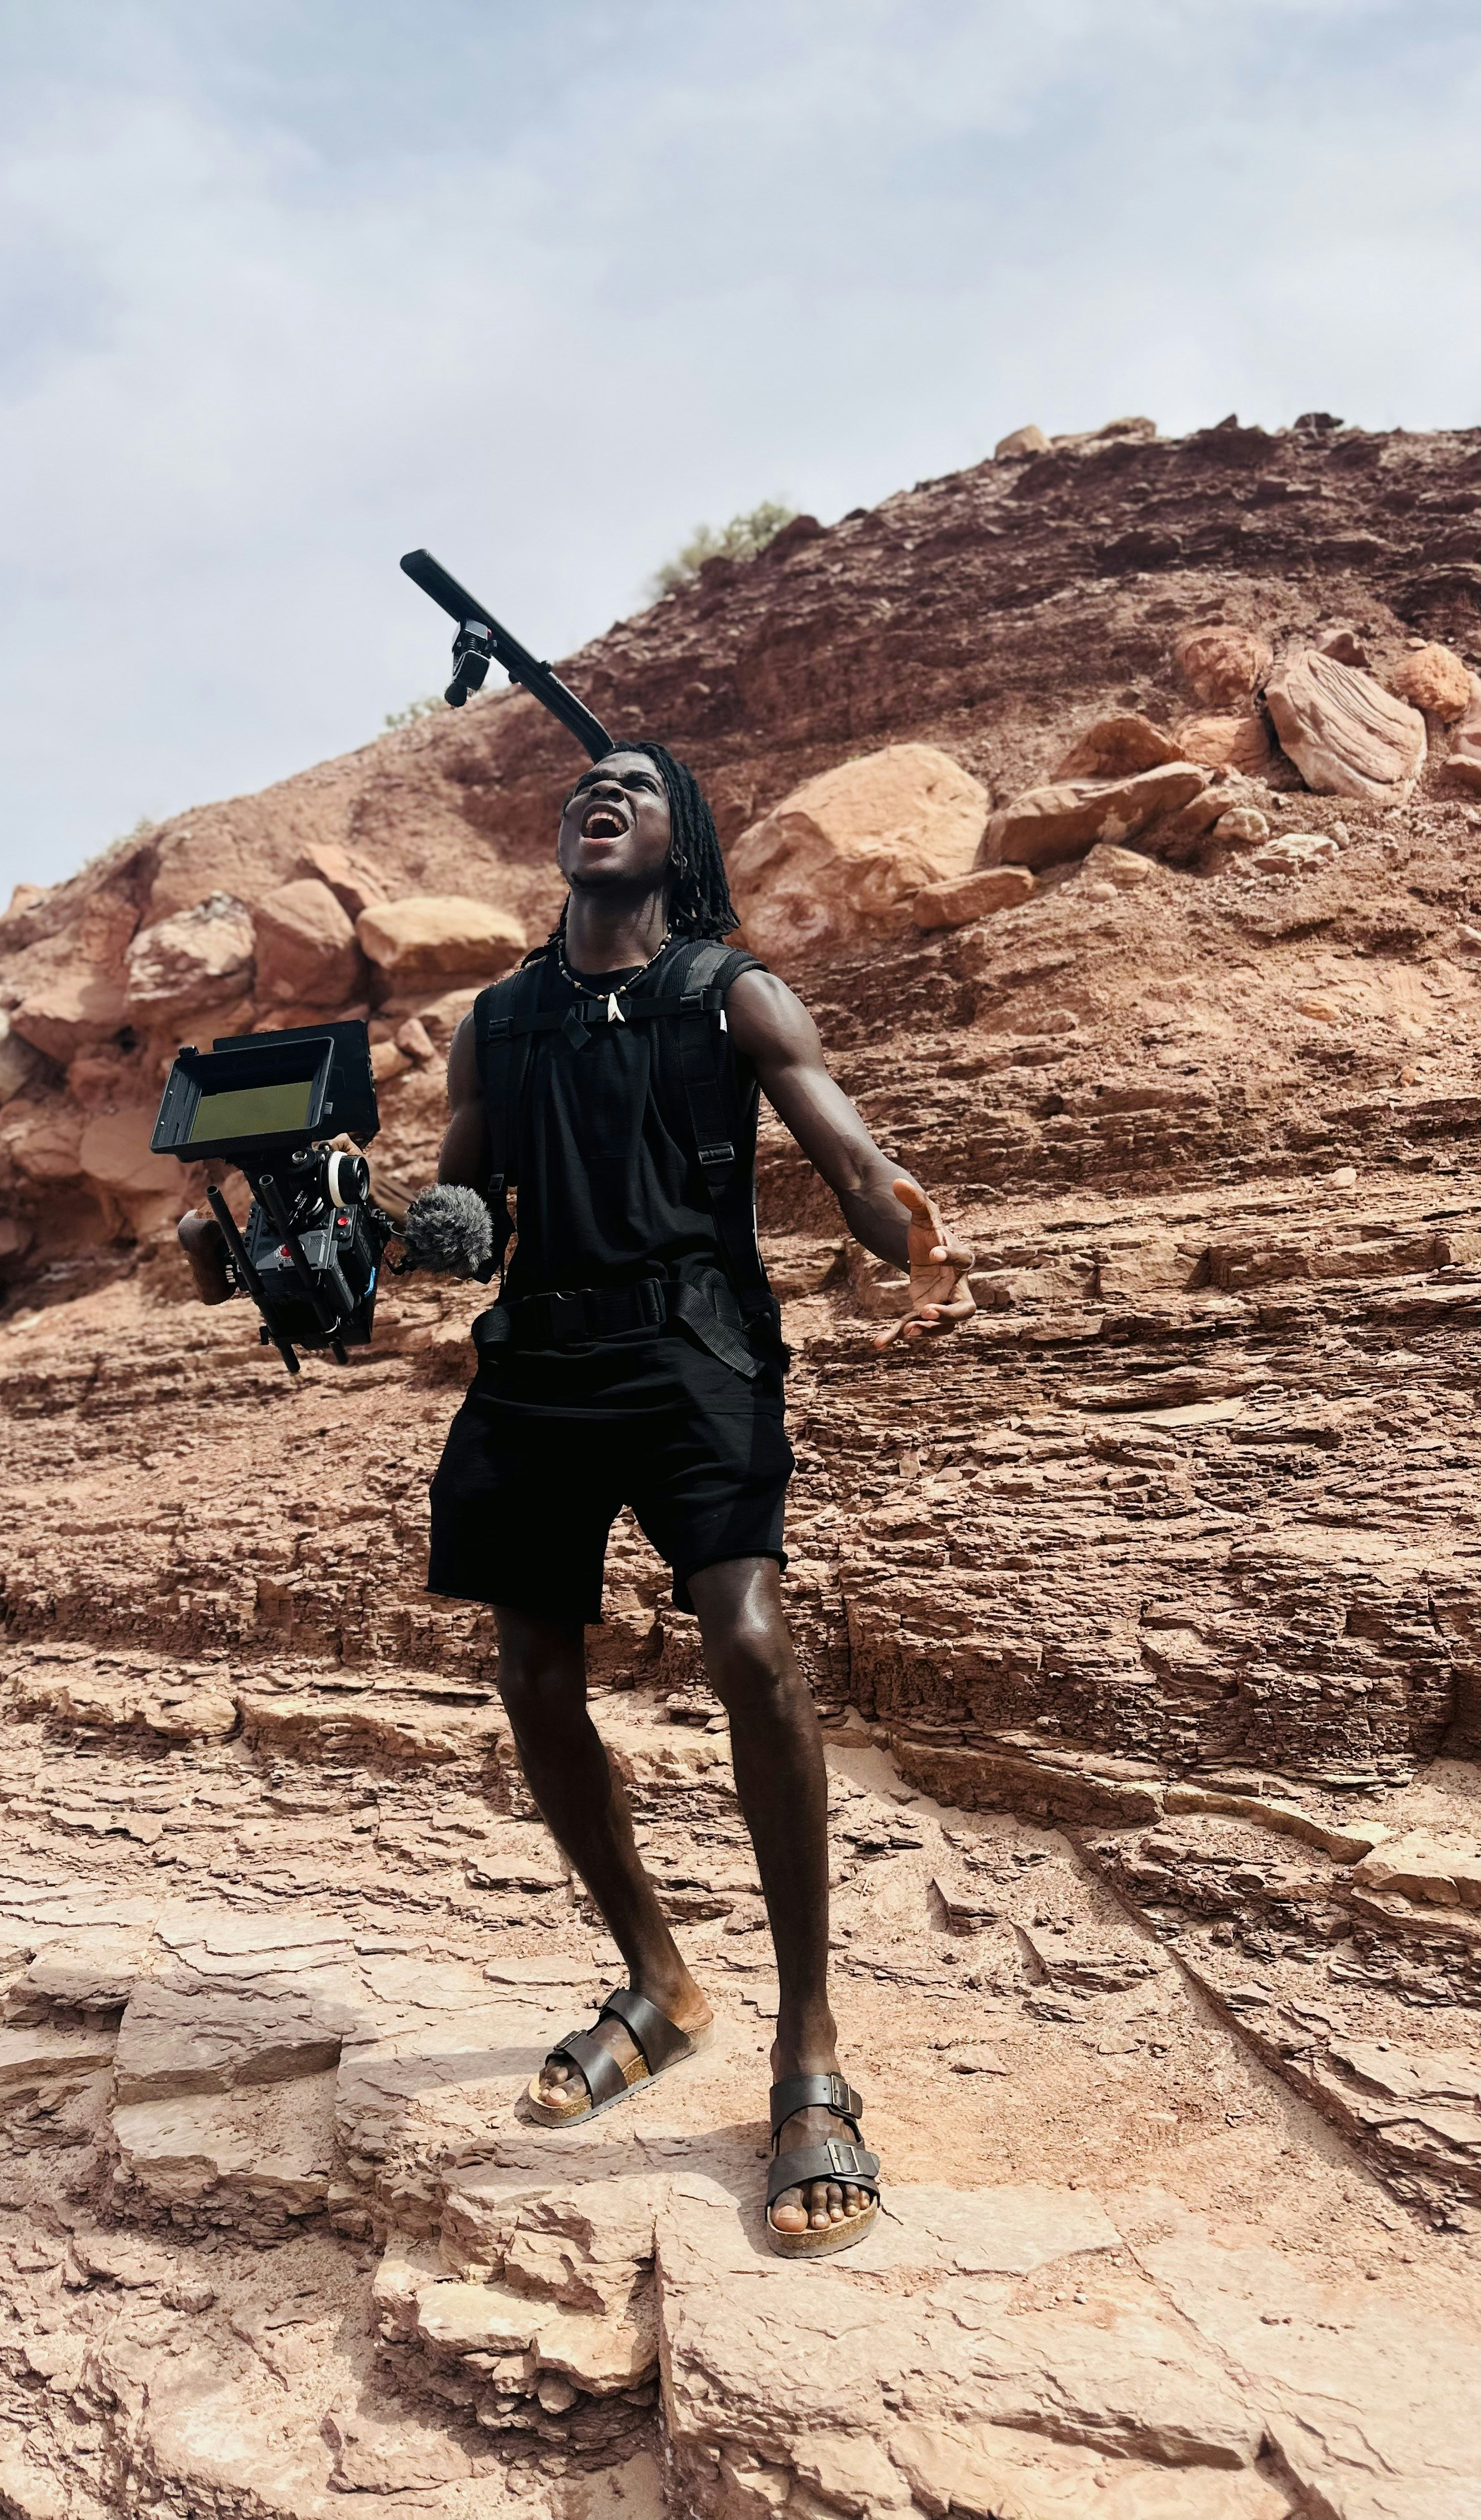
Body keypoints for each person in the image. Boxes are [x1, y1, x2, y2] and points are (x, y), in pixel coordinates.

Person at [422, 741, 974, 2257]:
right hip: (538, 1361)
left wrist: (901, 1235)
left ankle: (809, 2051)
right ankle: (659, 1983)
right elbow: (471, 1208)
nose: (597, 797)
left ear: (682, 839)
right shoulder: (499, 1022)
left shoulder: (733, 990)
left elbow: (845, 1144)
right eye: (581, 788)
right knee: (532, 1670)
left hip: (692, 1348)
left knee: (748, 1638)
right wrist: (408, 1224)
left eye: (635, 788)